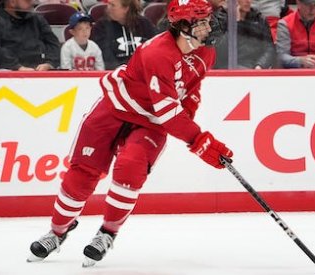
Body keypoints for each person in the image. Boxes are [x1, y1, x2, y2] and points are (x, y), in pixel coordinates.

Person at [27, 0, 233, 268]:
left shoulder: (206, 53)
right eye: (202, 21)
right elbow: (169, 112)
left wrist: (190, 115)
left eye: (207, 19)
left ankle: (107, 233)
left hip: (150, 123)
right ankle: (57, 231)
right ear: (183, 26)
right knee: (81, 176)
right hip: (115, 108)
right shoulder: (158, 53)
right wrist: (199, 141)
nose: (209, 26)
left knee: (130, 170)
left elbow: (191, 89)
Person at [0, 0, 61, 71]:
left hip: (39, 70)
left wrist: (49, 63)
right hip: (8, 74)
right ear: (12, 2)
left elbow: (53, 43)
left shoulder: (38, 20)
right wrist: (18, 67)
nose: (31, 3)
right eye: (27, 0)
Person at [90, 0, 157, 70]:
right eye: (108, 4)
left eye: (112, 5)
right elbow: (107, 59)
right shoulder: (101, 27)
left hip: (144, 72)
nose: (108, 8)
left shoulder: (145, 24)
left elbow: (154, 51)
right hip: (115, 74)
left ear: (126, 9)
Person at [214, 0, 276, 69]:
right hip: (227, 67)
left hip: (254, 66)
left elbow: (269, 47)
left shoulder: (258, 18)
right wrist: (236, 23)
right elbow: (220, 52)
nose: (248, 1)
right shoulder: (220, 18)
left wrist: (260, 65)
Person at [276, 0, 315, 69]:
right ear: (298, 3)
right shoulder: (285, 24)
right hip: (293, 71)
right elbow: (282, 56)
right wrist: (300, 61)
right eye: (307, 4)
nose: (312, 9)